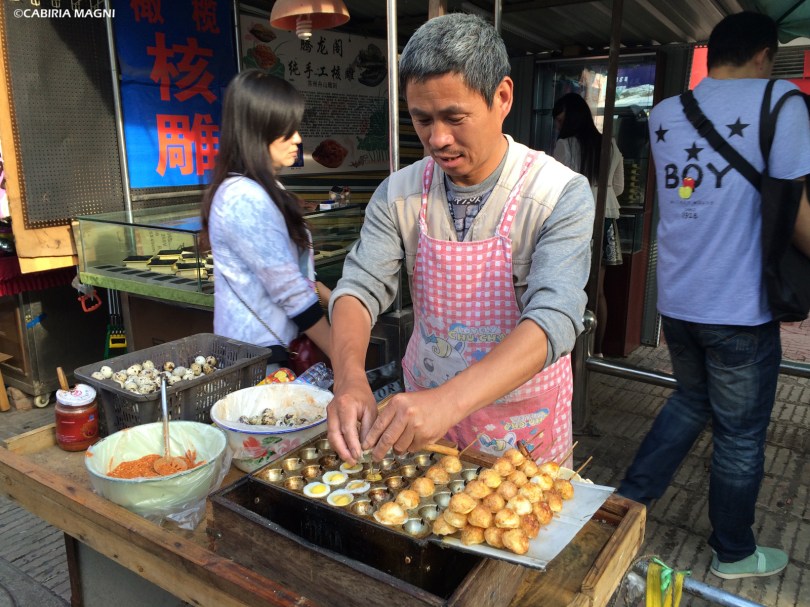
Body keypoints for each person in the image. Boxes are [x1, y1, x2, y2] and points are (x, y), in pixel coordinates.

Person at [326, 13, 595, 466]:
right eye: (422, 119)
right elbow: (359, 287)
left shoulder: (556, 194)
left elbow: (555, 317)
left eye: (455, 118)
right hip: (423, 421)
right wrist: (349, 378)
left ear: (502, 97)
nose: (438, 139)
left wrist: (449, 402)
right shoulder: (399, 194)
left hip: (521, 426)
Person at [618, 12, 810, 580]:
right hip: (739, 306)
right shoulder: (782, 103)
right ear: (764, 55)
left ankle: (623, 508)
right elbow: (795, 212)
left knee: (690, 401)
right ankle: (733, 552)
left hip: (678, 300)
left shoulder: (664, 113)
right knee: (740, 435)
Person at [200, 69, 331, 370]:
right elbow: (289, 290)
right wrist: (342, 355)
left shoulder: (263, 188)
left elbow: (288, 275)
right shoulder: (243, 196)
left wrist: (331, 297)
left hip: (272, 351)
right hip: (259, 360)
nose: (297, 139)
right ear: (257, 132)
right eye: (286, 130)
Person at [552, 92, 625, 356]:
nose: (558, 126)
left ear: (572, 118)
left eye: (560, 120)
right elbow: (618, 187)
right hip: (606, 219)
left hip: (575, 219)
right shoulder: (610, 144)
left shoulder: (565, 145)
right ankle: (596, 352)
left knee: (572, 286)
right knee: (598, 290)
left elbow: (555, 189)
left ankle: (572, 353)